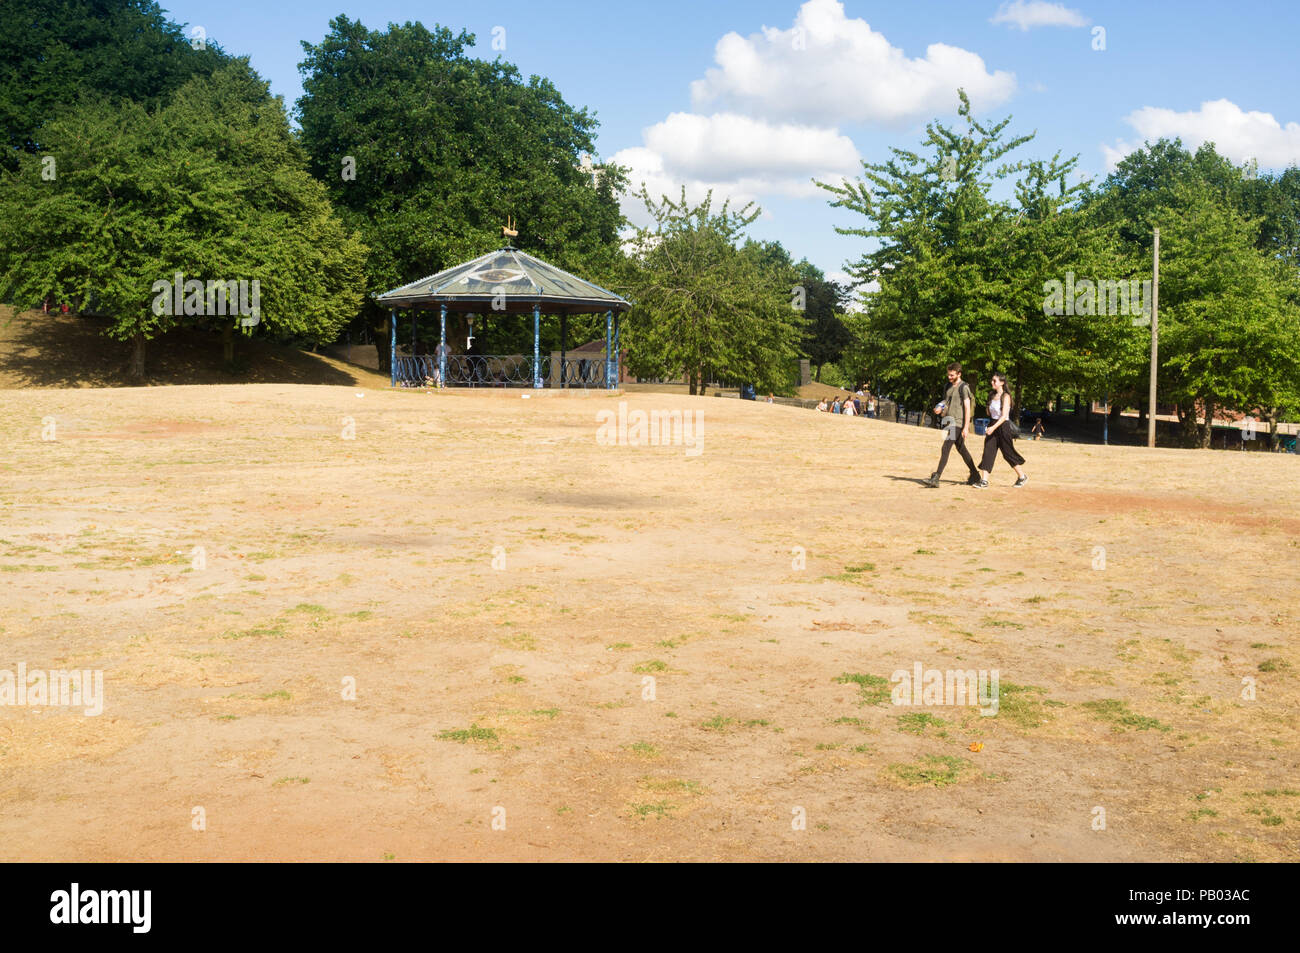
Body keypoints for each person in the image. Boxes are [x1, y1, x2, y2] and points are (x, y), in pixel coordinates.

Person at [924, 363, 981, 488]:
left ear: (959, 374)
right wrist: (939, 407)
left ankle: (936, 477)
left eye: (952, 375)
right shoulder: (947, 386)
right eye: (948, 374)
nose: (949, 377)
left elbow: (967, 407)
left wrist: (966, 427)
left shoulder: (964, 387)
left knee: (945, 448)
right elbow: (946, 401)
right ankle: (975, 475)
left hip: (958, 423)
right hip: (949, 421)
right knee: (961, 449)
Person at [974, 372, 1027, 488]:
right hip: (992, 424)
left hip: (1003, 426)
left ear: (1002, 383)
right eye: (992, 380)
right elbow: (990, 413)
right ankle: (984, 481)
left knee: (1008, 453)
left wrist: (993, 428)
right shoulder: (991, 395)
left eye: (995, 381)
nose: (992, 382)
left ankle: (1022, 476)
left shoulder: (1006, 397)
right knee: (988, 452)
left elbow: (1003, 417)